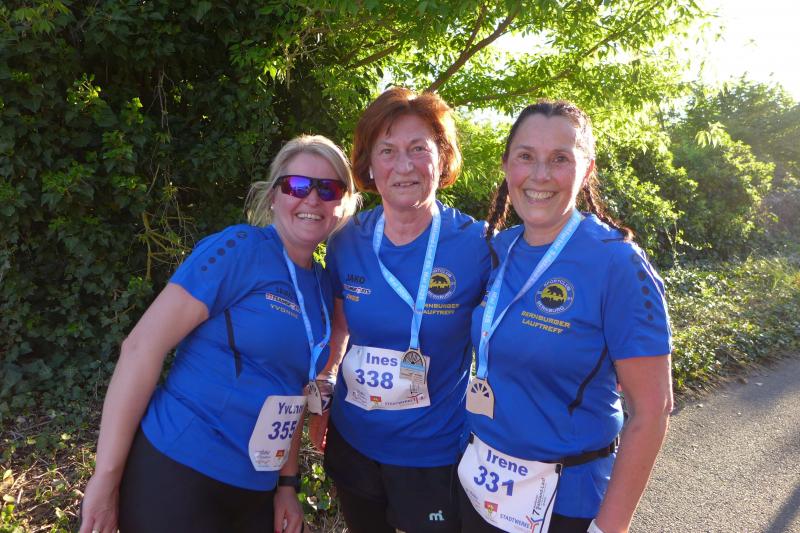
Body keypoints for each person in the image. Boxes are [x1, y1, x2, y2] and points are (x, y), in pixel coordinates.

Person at [78, 135, 359, 533]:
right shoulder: (238, 249)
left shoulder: (322, 284)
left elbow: (291, 391)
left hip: (256, 485)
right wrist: (105, 477)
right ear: (274, 196)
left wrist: (286, 484)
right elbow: (141, 347)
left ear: (343, 204)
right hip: (181, 467)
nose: (312, 199)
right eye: (296, 186)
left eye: (328, 189)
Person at [457, 100, 673, 533]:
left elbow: (652, 411)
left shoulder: (617, 263)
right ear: (506, 165)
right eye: (526, 156)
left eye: (560, 158)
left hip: (566, 504)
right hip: (480, 487)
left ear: (586, 169)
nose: (540, 175)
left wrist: (609, 528)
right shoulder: (500, 249)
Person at [309, 87, 492, 533]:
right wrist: (323, 389)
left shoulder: (479, 245)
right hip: (354, 444)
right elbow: (339, 330)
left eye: (418, 149)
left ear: (442, 158)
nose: (404, 165)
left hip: (434, 454)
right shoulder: (346, 240)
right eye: (387, 150)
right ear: (369, 165)